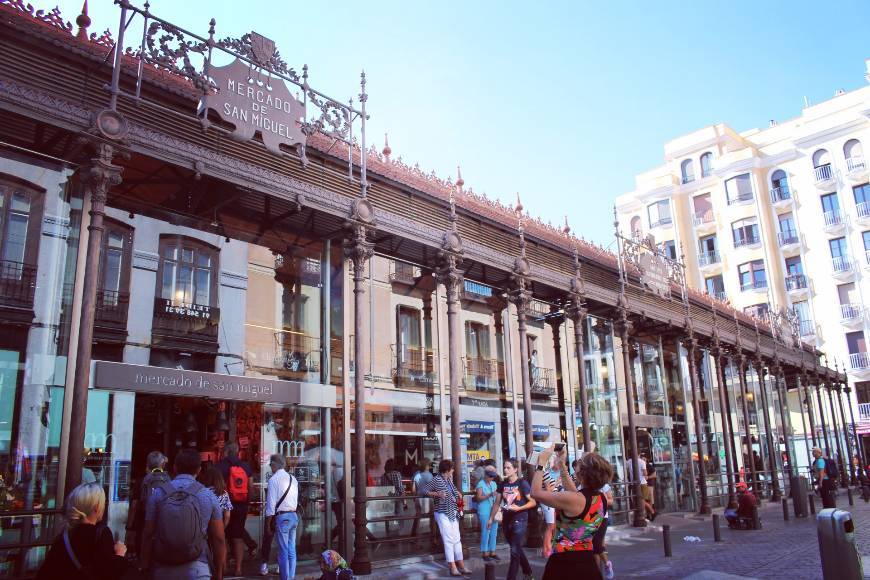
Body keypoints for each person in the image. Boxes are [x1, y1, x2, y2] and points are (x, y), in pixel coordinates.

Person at [140, 448, 226, 580]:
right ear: (199, 470)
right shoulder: (208, 496)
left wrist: (144, 566)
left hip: (163, 567)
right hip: (197, 568)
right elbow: (219, 539)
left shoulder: (158, 494)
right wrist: (219, 573)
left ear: (174, 468)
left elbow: (147, 533)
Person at [531, 448, 612, 579]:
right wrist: (562, 466)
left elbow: (535, 493)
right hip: (587, 563)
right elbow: (575, 493)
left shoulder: (574, 499)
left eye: (580, 463)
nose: (577, 466)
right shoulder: (601, 498)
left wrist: (540, 464)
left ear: (583, 473)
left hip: (564, 564)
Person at [37, 482, 128, 580]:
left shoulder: (65, 534)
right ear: (97, 507)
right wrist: (120, 554)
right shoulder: (101, 534)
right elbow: (110, 573)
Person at [420, 459, 471, 576]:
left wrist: (457, 493)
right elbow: (423, 490)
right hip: (442, 512)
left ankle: (461, 565)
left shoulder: (448, 480)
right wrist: (437, 494)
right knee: (448, 540)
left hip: (452, 511)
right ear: (447, 470)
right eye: (452, 468)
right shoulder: (437, 479)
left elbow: (452, 491)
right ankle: (452, 566)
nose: (453, 470)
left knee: (457, 539)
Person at [493, 458, 536, 580]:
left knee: (514, 551)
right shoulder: (502, 484)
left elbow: (533, 502)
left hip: (520, 519)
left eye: (508, 468)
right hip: (506, 520)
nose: (506, 470)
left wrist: (519, 508)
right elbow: (497, 503)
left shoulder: (522, 483)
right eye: (505, 467)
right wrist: (491, 518)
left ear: (515, 469)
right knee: (515, 548)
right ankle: (528, 572)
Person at [218, 442, 254, 576]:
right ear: (238, 452)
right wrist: (247, 503)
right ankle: (238, 569)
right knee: (238, 537)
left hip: (224, 506)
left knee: (223, 536)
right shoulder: (245, 466)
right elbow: (250, 487)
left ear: (226, 452)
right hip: (241, 506)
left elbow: (217, 488)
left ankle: (224, 567)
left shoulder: (220, 466)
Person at [126, 450, 170, 557]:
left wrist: (130, 525)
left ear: (147, 464)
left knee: (143, 547)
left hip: (144, 520)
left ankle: (143, 567)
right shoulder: (169, 480)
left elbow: (135, 505)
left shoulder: (142, 481)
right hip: (162, 521)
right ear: (162, 464)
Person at [265, 453, 299, 580]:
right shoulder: (293, 479)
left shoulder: (274, 480)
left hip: (283, 517)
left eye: (270, 465)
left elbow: (270, 506)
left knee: (283, 551)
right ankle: (291, 576)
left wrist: (268, 524)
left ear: (274, 465)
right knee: (291, 549)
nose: (270, 467)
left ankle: (285, 578)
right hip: (293, 516)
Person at [475, 466, 500, 561]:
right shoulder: (480, 484)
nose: (491, 478)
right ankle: (484, 552)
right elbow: (478, 498)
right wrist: (489, 495)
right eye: (490, 476)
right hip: (484, 510)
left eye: (493, 476)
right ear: (485, 475)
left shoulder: (494, 484)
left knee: (494, 531)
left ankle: (492, 551)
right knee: (486, 531)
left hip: (493, 509)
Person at [411, 458, 434, 540]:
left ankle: (416, 539)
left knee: (418, 518)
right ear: (426, 466)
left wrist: (415, 498)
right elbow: (432, 488)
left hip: (418, 498)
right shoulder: (430, 475)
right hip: (428, 499)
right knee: (432, 518)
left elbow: (413, 490)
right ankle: (433, 537)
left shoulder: (416, 475)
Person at [627, 452, 654, 521]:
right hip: (642, 483)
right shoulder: (642, 462)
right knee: (642, 500)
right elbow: (645, 473)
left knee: (638, 500)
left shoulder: (629, 461)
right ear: (639, 455)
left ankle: (646, 515)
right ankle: (652, 512)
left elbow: (627, 470)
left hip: (634, 483)